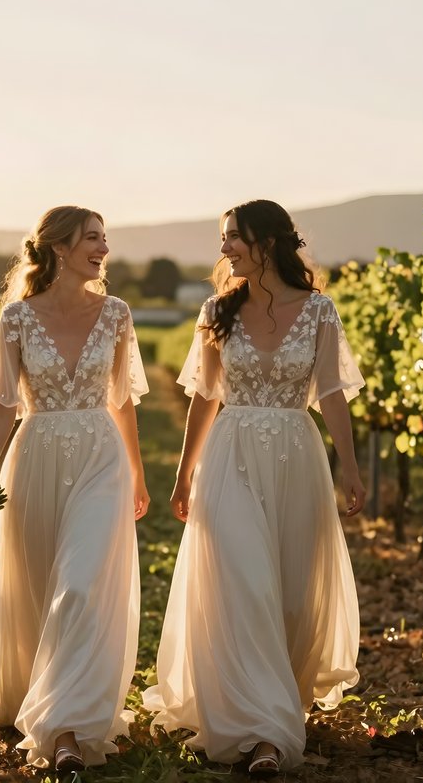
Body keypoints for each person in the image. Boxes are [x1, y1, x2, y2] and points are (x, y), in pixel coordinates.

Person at [142, 199, 365, 777]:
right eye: (223, 239)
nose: (224, 249)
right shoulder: (218, 311)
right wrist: (183, 471)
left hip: (297, 458)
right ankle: (261, 730)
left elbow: (333, 395)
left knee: (292, 590)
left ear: (267, 241)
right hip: (231, 454)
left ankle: (281, 701)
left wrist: (352, 467)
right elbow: (204, 397)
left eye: (232, 238)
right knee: (245, 581)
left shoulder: (319, 311)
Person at [0, 205, 150, 772]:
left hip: (100, 459)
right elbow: (1, 410)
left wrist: (137, 472)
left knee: (81, 583)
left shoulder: (117, 314)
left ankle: (66, 726)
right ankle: (35, 694)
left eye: (105, 238)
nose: (104, 248)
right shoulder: (16, 318)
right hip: (35, 459)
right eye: (93, 238)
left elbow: (122, 401)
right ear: (60, 249)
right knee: (40, 585)